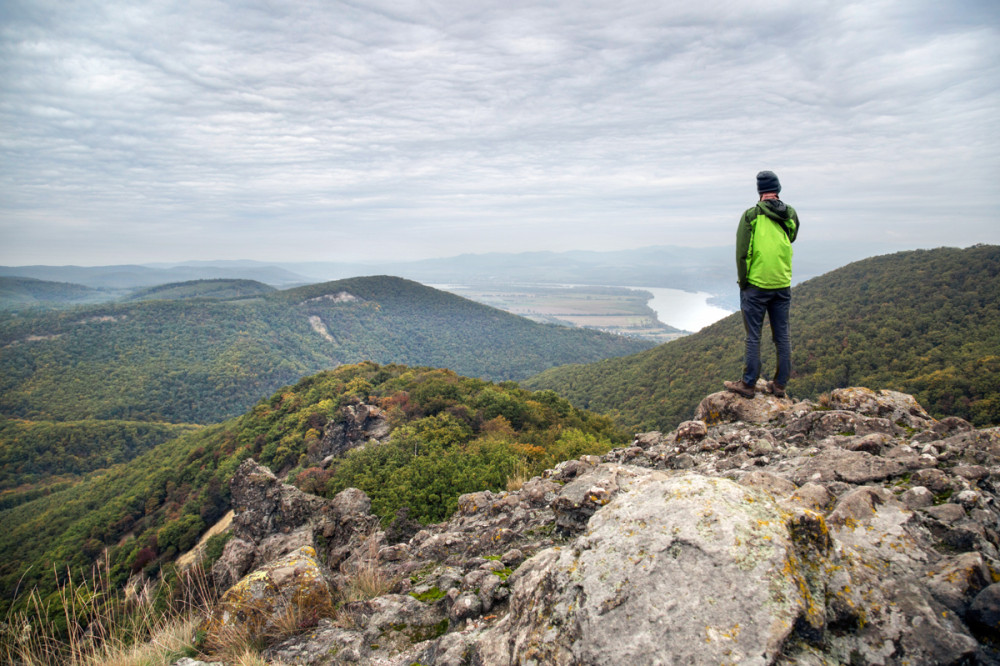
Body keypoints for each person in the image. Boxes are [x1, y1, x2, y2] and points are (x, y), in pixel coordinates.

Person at [724, 170, 800, 399]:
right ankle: (780, 385)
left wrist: (744, 281)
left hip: (756, 285)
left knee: (754, 336)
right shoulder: (790, 214)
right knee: (783, 335)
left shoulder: (751, 215)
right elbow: (792, 236)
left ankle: (748, 384)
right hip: (782, 282)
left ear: (759, 191)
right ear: (778, 190)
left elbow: (742, 253)